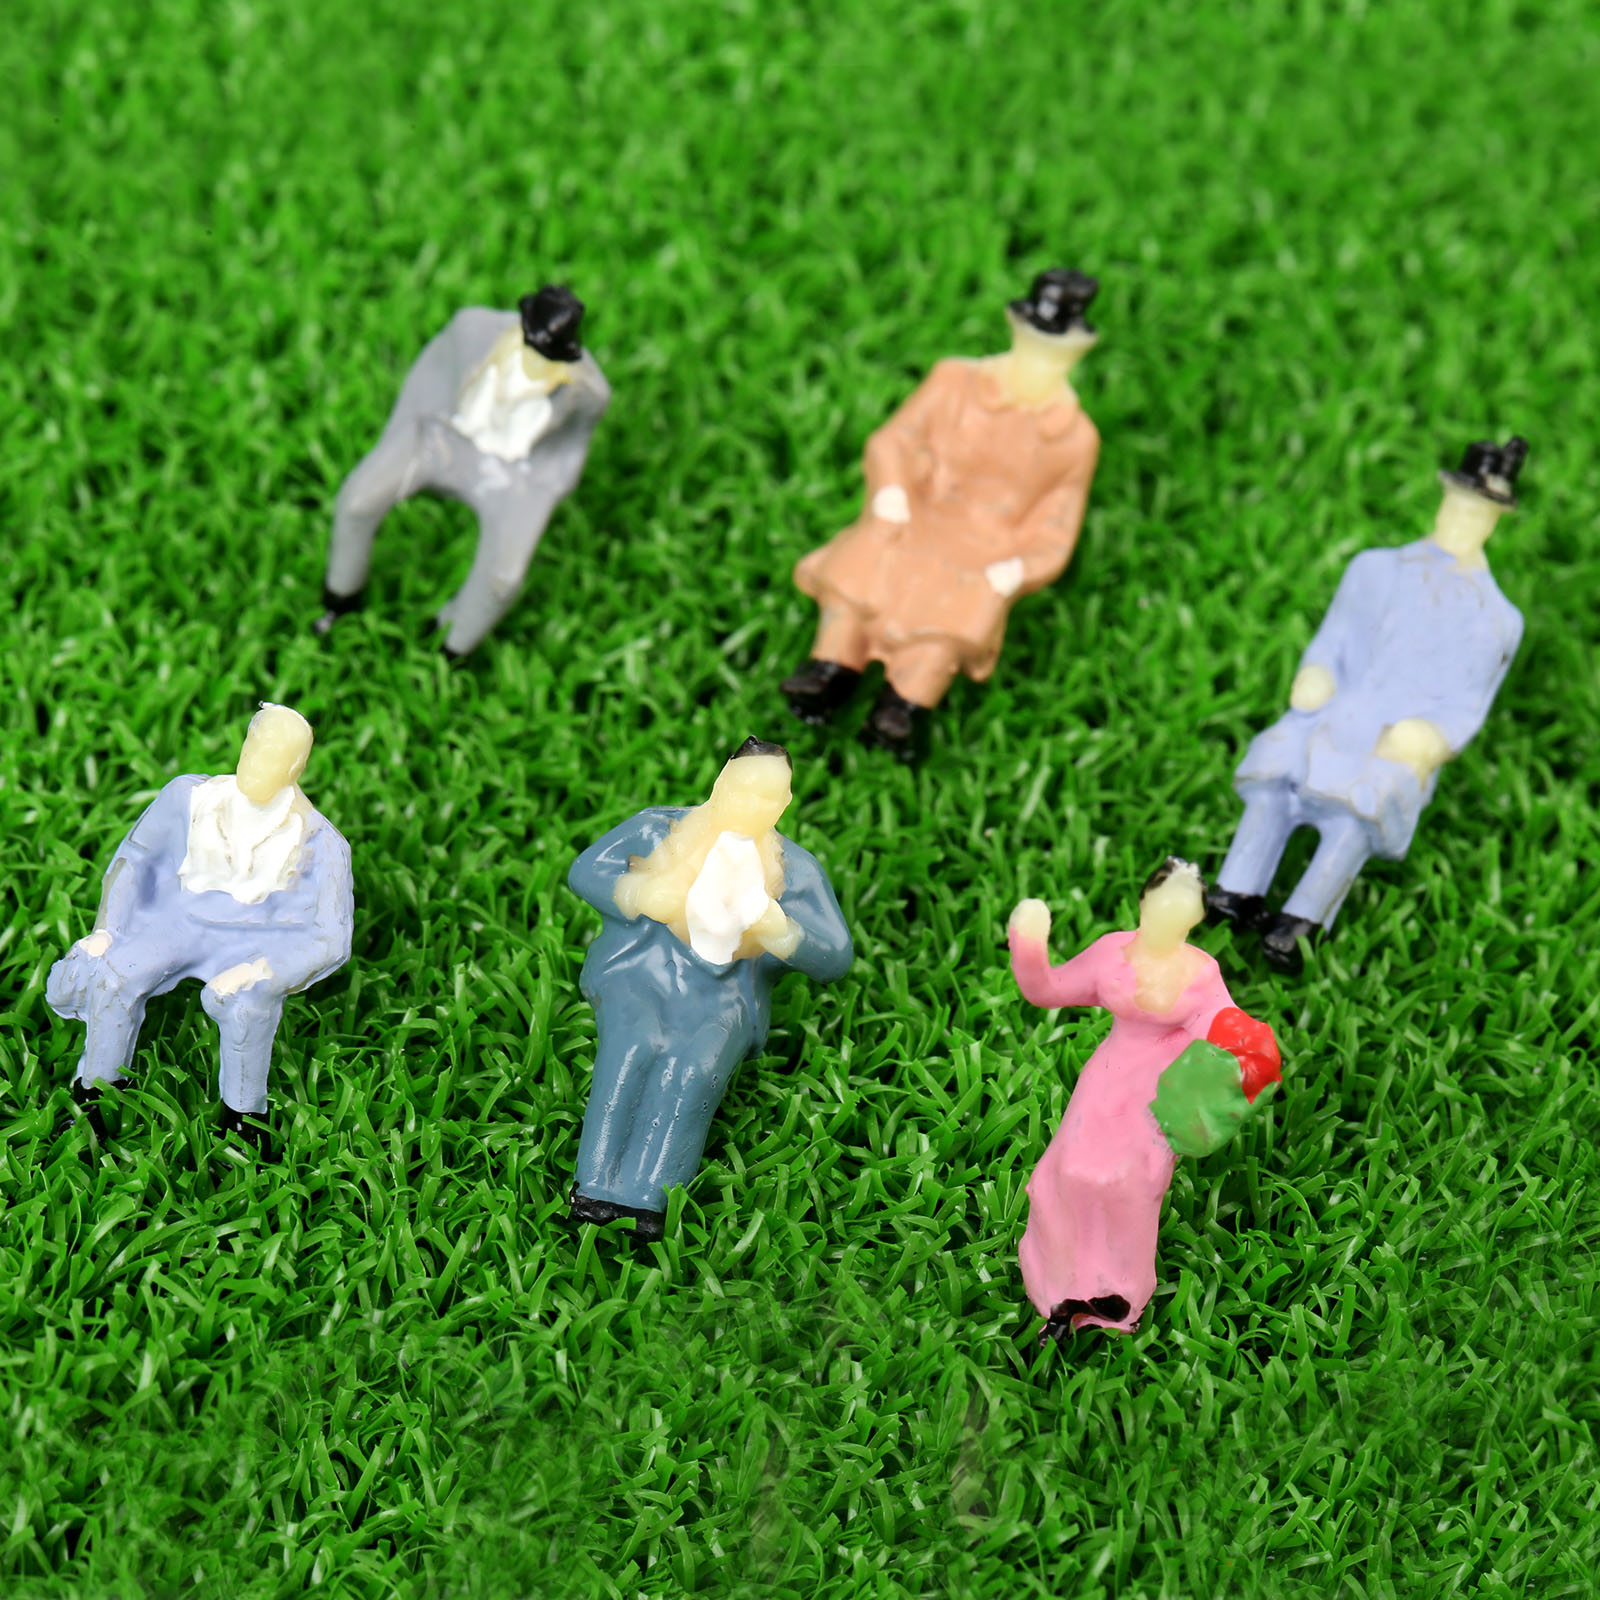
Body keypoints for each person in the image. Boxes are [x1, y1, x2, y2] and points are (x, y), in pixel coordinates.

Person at [1208, 437, 1528, 972]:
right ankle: (1239, 887)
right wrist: (1316, 673)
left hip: (1394, 739)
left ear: (1494, 521)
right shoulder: (1372, 569)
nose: (1460, 521)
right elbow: (1332, 640)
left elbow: (1466, 707)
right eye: (1456, 507)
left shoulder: (1496, 618)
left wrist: (1427, 738)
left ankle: (1303, 919)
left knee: (1354, 813)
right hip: (1336, 711)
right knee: (1275, 779)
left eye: (1476, 513)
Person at [781, 268, 1102, 755]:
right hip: (918, 514)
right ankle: (832, 665)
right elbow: (896, 439)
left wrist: (1017, 570)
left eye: (1053, 355)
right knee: (861, 579)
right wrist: (892, 492)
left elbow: (1056, 527)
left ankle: (905, 703)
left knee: (947, 622)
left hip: (987, 547)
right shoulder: (955, 381)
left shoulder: (1074, 438)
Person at [566, 739, 853, 1239]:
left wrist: (782, 931)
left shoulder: (794, 871)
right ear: (721, 783)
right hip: (644, 970)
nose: (752, 805)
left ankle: (648, 1196)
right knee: (633, 1048)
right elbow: (586, 870)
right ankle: (594, 1186)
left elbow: (836, 955)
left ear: (784, 803)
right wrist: (639, 892)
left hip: (726, 994)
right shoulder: (658, 829)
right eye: (742, 790)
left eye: (769, 797)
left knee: (693, 1071)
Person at [1009, 860, 1280, 1340]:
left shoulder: (1200, 971)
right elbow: (1048, 989)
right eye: (1166, 903)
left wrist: (1244, 1053)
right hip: (1109, 1078)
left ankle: (1118, 1293)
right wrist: (1029, 942)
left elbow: (1221, 1022)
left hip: (1158, 1088)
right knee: (1070, 1172)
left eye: (1187, 907)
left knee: (1131, 1183)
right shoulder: (1111, 952)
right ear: (1145, 901)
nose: (1174, 916)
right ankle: (1060, 1288)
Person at [46, 705, 354, 1122]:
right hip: (178, 920)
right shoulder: (189, 797)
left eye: (273, 757)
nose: (256, 762)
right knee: (114, 976)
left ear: (294, 768)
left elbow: (331, 939)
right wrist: (108, 929)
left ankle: (244, 1117)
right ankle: (97, 1093)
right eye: (254, 747)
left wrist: (261, 971)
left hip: (258, 939)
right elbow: (134, 860)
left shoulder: (320, 842)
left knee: (245, 1008)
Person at [316, 286, 611, 656]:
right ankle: (340, 598)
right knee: (359, 500)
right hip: (442, 437)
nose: (536, 361)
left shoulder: (585, 394)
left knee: (502, 579)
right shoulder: (471, 331)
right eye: (532, 346)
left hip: (515, 474)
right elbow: (429, 374)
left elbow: (571, 448)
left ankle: (450, 643)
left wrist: (544, 488)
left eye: (549, 356)